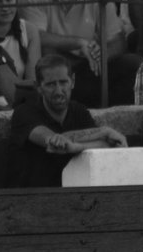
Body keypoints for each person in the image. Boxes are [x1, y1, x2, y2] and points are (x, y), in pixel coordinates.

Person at [19, 0, 139, 105]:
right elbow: (35, 36)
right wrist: (78, 43)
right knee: (50, 54)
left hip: (86, 67)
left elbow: (117, 40)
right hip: (52, 71)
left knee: (132, 64)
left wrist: (98, 55)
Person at [10, 53, 128, 186]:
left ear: (72, 81)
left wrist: (78, 147)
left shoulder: (79, 111)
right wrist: (103, 131)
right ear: (39, 87)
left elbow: (104, 146)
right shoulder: (25, 112)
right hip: (30, 199)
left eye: (63, 82)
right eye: (50, 85)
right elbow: (54, 141)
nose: (59, 91)